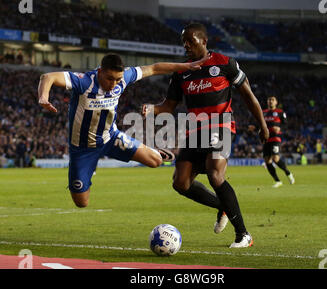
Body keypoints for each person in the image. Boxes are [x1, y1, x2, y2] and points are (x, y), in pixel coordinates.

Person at [142, 23, 269, 248]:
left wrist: (262, 125)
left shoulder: (224, 63)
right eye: (184, 42)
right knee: (180, 183)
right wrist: (152, 109)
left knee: (214, 174)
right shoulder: (181, 72)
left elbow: (248, 96)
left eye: (190, 41)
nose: (186, 45)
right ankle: (223, 206)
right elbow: (169, 105)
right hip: (195, 131)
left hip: (221, 126)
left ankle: (244, 235)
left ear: (204, 41)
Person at [38, 53, 206, 208]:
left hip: (110, 138)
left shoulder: (124, 77)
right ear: (100, 71)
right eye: (109, 78)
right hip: (82, 148)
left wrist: (186, 67)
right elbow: (48, 76)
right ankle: (89, 168)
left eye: (117, 80)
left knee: (156, 162)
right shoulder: (84, 82)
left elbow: (154, 68)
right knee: (82, 203)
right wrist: (43, 97)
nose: (113, 84)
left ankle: (154, 152)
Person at [261, 96, 295, 188]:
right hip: (266, 139)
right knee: (267, 161)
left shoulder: (280, 112)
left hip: (276, 138)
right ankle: (277, 181)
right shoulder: (263, 113)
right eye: (269, 100)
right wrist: (254, 128)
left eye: (272, 100)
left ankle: (288, 173)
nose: (270, 101)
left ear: (276, 102)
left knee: (275, 158)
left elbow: (286, 124)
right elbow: (261, 124)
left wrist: (280, 128)